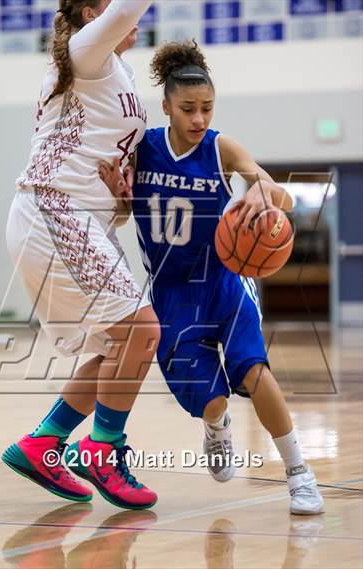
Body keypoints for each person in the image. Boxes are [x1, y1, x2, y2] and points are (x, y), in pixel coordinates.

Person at [99, 40, 325, 515]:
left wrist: (262, 193)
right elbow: (122, 217)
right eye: (188, 109)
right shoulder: (144, 150)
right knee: (213, 400)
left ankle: (300, 474)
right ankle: (216, 427)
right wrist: (117, 194)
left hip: (224, 282)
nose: (199, 118)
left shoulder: (220, 147)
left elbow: (271, 188)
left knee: (254, 369)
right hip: (172, 293)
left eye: (206, 108)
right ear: (166, 107)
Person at [2, 0, 161, 511]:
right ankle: (103, 449)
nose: (133, 19)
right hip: (54, 212)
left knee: (117, 346)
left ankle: (43, 444)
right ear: (94, 14)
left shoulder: (118, 70)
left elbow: (100, 156)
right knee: (141, 332)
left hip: (85, 217)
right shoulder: (86, 50)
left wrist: (121, 197)